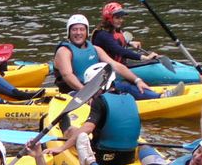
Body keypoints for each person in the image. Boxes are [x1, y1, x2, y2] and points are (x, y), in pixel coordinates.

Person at [54, 14, 184, 100]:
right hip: (74, 95)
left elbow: (116, 65)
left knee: (124, 85)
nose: (78, 33)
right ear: (69, 32)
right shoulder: (64, 51)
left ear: (86, 32)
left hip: (94, 90)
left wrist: (138, 80)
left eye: (81, 29)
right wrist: (86, 93)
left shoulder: (95, 49)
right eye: (74, 30)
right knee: (115, 91)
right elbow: (68, 75)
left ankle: (159, 97)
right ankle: (156, 98)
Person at [45, 62, 143, 165]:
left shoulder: (100, 101)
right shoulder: (130, 98)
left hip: (103, 158)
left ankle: (87, 161)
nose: (90, 91)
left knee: (73, 130)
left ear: (102, 84)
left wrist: (62, 148)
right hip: (129, 156)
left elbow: (88, 128)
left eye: (91, 87)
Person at [91, 2, 160, 65]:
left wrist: (130, 43)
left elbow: (116, 40)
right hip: (108, 70)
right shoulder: (102, 35)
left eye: (121, 17)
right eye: (117, 18)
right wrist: (145, 58)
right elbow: (119, 50)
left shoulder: (113, 29)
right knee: (147, 61)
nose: (121, 20)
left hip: (119, 64)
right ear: (108, 19)